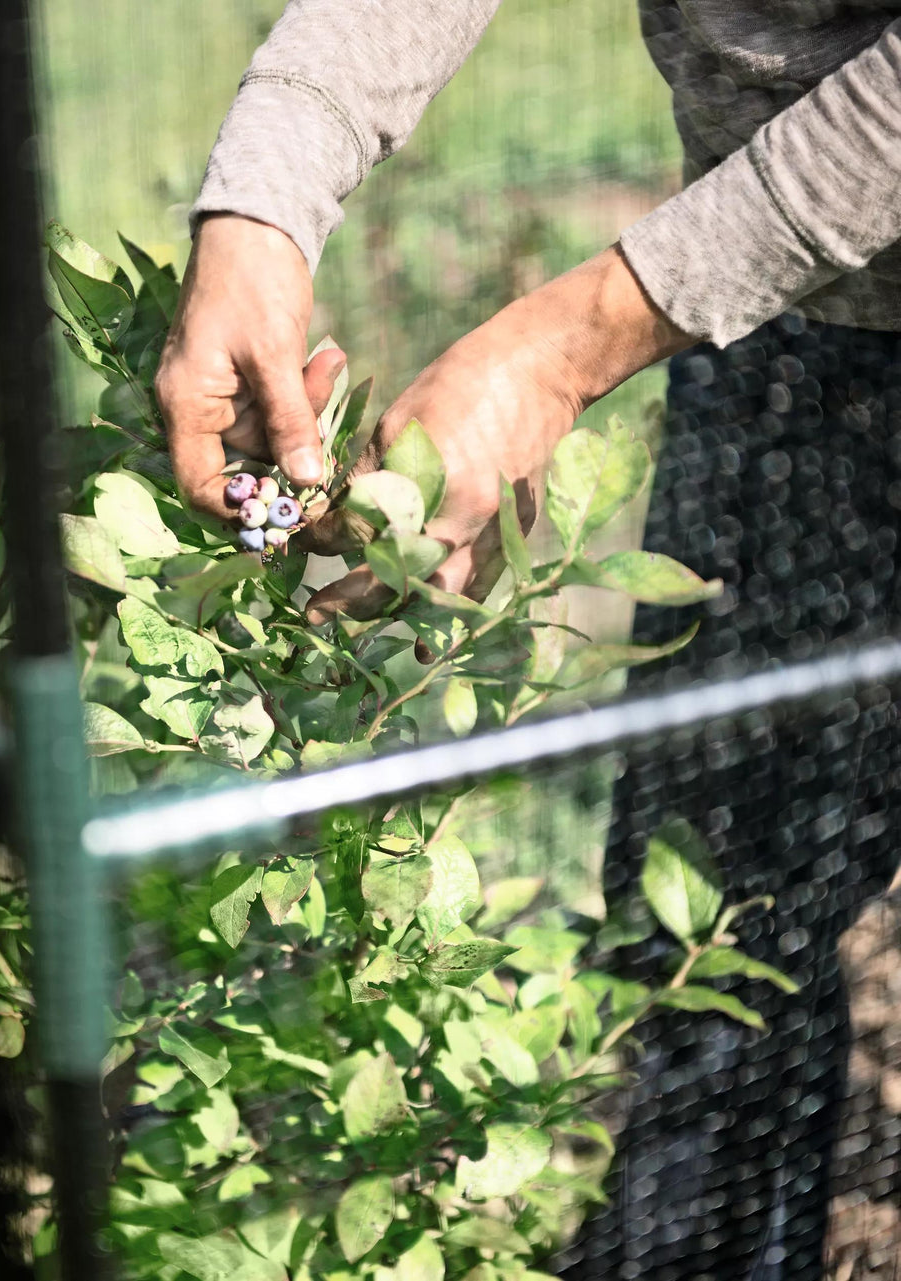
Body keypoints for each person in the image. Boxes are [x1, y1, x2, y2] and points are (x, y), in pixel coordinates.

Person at [155, 4, 901, 1277]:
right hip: (783, 312)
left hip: (761, 268)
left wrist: (560, 350)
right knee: (714, 932)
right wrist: (260, 208)